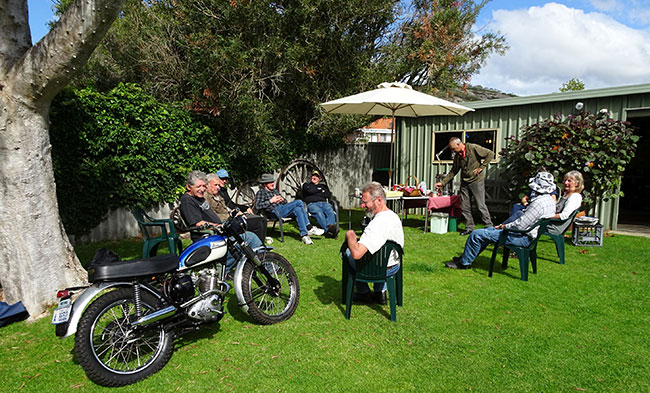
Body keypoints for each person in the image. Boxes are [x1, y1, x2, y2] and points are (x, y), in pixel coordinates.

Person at [445, 171, 557, 269]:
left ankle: (463, 264)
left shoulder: (538, 204)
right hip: (529, 235)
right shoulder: (549, 201)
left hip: (522, 237)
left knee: (476, 234)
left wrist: (504, 227)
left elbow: (520, 226)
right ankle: (464, 258)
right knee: (487, 232)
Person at [179, 170, 263, 269]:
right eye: (198, 186)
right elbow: (198, 224)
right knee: (250, 238)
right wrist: (219, 226)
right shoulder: (187, 201)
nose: (202, 189)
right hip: (209, 238)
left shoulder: (199, 198)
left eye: (204, 186)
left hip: (218, 232)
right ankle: (265, 265)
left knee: (248, 225)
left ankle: (256, 264)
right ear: (188, 187)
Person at [341, 182, 404, 305]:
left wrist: (350, 235)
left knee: (347, 252)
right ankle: (380, 292)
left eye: (365, 202)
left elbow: (357, 254)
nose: (362, 205)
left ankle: (363, 292)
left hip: (380, 269)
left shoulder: (377, 224)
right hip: (394, 265)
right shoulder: (394, 216)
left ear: (378, 200)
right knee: (377, 253)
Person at [434, 137, 494, 236]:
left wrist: (481, 168)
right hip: (465, 182)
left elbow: (490, 154)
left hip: (476, 181)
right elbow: (453, 171)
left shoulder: (473, 148)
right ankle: (469, 227)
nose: (453, 151)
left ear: (458, 144)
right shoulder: (458, 156)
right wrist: (443, 182)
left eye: (453, 148)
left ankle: (489, 226)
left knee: (480, 205)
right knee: (464, 206)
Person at [254, 173, 324, 245]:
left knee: (298, 209)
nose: (273, 183)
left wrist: (281, 199)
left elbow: (285, 202)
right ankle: (309, 227)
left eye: (273, 182)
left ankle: (304, 235)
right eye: (270, 182)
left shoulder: (275, 191)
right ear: (265, 184)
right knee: (299, 202)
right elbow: (257, 205)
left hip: (282, 209)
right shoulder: (261, 193)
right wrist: (271, 201)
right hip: (274, 212)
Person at [205, 171, 268, 243]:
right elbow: (211, 215)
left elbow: (230, 205)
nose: (218, 187)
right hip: (225, 224)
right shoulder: (206, 197)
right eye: (216, 185)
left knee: (261, 220)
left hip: (230, 220)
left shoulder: (219, 194)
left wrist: (242, 209)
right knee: (258, 223)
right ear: (207, 185)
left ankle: (257, 245)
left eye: (226, 179)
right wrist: (231, 215)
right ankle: (258, 246)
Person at [302, 170, 338, 238]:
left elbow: (328, 194)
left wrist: (315, 191)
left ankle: (330, 226)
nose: (314, 177)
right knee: (318, 212)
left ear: (320, 178)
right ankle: (329, 231)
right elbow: (309, 190)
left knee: (330, 210)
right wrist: (320, 190)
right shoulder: (306, 185)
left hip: (324, 203)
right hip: (312, 204)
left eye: (316, 176)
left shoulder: (323, 186)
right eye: (313, 175)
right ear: (311, 177)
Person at [547, 170, 584, 235]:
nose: (566, 183)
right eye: (565, 180)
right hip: (549, 223)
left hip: (554, 227)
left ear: (577, 184)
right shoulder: (565, 195)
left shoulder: (575, 197)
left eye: (569, 181)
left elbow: (564, 215)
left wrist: (545, 216)